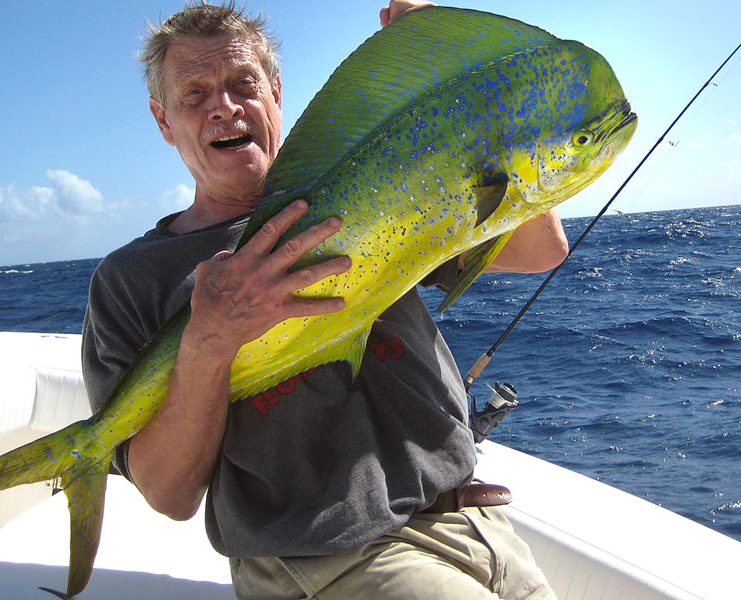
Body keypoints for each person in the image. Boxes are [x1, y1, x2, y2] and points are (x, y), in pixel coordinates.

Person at [82, 2, 569, 598]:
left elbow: (540, 249)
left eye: (243, 84)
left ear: (276, 93)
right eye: (194, 95)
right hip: (325, 557)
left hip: (476, 522)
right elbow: (168, 493)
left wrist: (461, 76)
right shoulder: (131, 278)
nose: (225, 107)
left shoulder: (371, 195)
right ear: (163, 121)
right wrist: (210, 339)